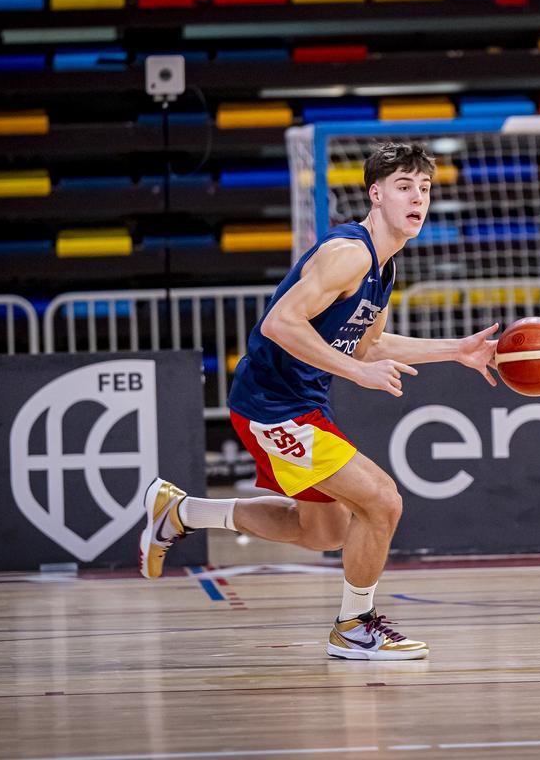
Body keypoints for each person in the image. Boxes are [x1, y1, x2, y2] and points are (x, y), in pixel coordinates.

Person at [138, 142, 499, 659]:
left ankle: (182, 512)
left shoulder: (385, 265)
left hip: (302, 400)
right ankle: (354, 625)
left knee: (322, 531)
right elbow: (280, 322)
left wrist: (456, 351)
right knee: (383, 500)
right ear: (376, 195)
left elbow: (371, 341)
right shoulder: (349, 254)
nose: (417, 198)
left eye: (424, 188)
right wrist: (356, 371)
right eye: (403, 187)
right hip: (272, 404)